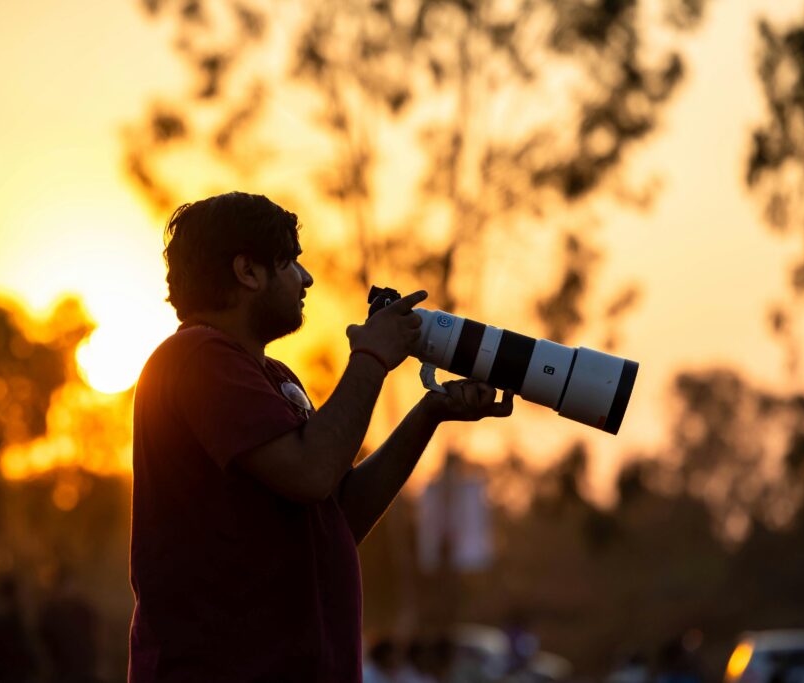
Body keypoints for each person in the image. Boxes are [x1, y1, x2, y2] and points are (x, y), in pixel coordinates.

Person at [129, 192, 515, 682]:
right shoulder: (198, 357)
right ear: (247, 272)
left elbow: (335, 517)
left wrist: (430, 412)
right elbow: (312, 472)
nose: (306, 279)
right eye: (290, 262)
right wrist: (371, 358)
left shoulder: (268, 375)